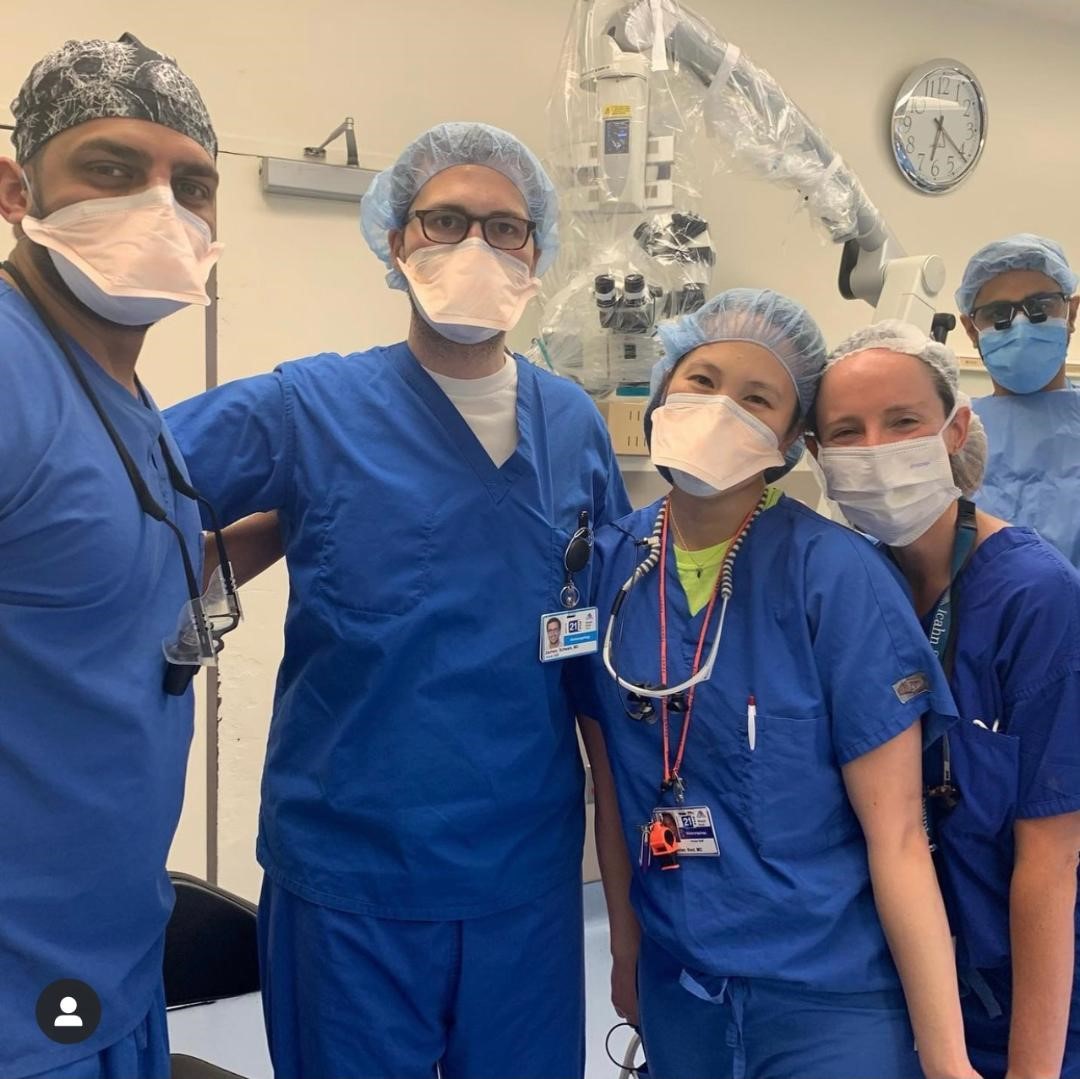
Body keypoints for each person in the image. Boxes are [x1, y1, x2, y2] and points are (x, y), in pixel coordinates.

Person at [165, 121, 630, 1079]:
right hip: (353, 882)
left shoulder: (574, 425)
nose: (475, 247)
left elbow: (604, 655)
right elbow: (111, 478)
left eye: (505, 228)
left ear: (537, 252)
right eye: (445, 221)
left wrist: (628, 911)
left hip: (524, 881)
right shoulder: (310, 409)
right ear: (395, 241)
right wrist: (252, 540)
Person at [573, 289, 976, 1079]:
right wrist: (626, 949)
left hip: (828, 999)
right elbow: (612, 792)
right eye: (702, 380)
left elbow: (899, 838)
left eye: (758, 397)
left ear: (791, 440)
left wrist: (947, 1057)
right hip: (680, 984)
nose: (722, 407)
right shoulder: (609, 565)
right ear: (661, 391)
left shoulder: (833, 577)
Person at [0, 34, 228, 1079]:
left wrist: (301, 526)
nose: (161, 207)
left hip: (105, 969)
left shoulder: (121, 390)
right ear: (18, 189)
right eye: (112, 167)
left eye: (193, 184)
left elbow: (104, 578)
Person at [813, 319, 1080, 1079]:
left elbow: (1051, 861)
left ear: (955, 430)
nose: (876, 449)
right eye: (847, 432)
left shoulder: (1037, 598)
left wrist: (1032, 1070)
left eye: (903, 422)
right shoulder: (848, 589)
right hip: (894, 995)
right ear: (817, 455)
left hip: (1028, 1001)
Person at [956, 233, 1080, 568]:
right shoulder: (953, 436)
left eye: (1041, 306)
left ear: (1071, 313)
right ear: (971, 330)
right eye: (998, 312)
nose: (1021, 324)